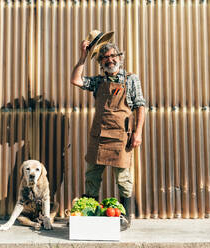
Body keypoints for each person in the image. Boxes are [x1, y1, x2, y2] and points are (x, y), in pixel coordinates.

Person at [70, 31, 145, 230]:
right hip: (98, 138)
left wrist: (138, 133)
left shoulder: (131, 79)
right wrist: (83, 56)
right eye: (104, 57)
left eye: (113, 56)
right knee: (92, 178)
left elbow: (140, 106)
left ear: (120, 57)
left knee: (123, 179)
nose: (109, 60)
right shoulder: (98, 81)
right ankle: (90, 215)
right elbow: (76, 80)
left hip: (121, 137)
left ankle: (125, 217)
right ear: (100, 61)